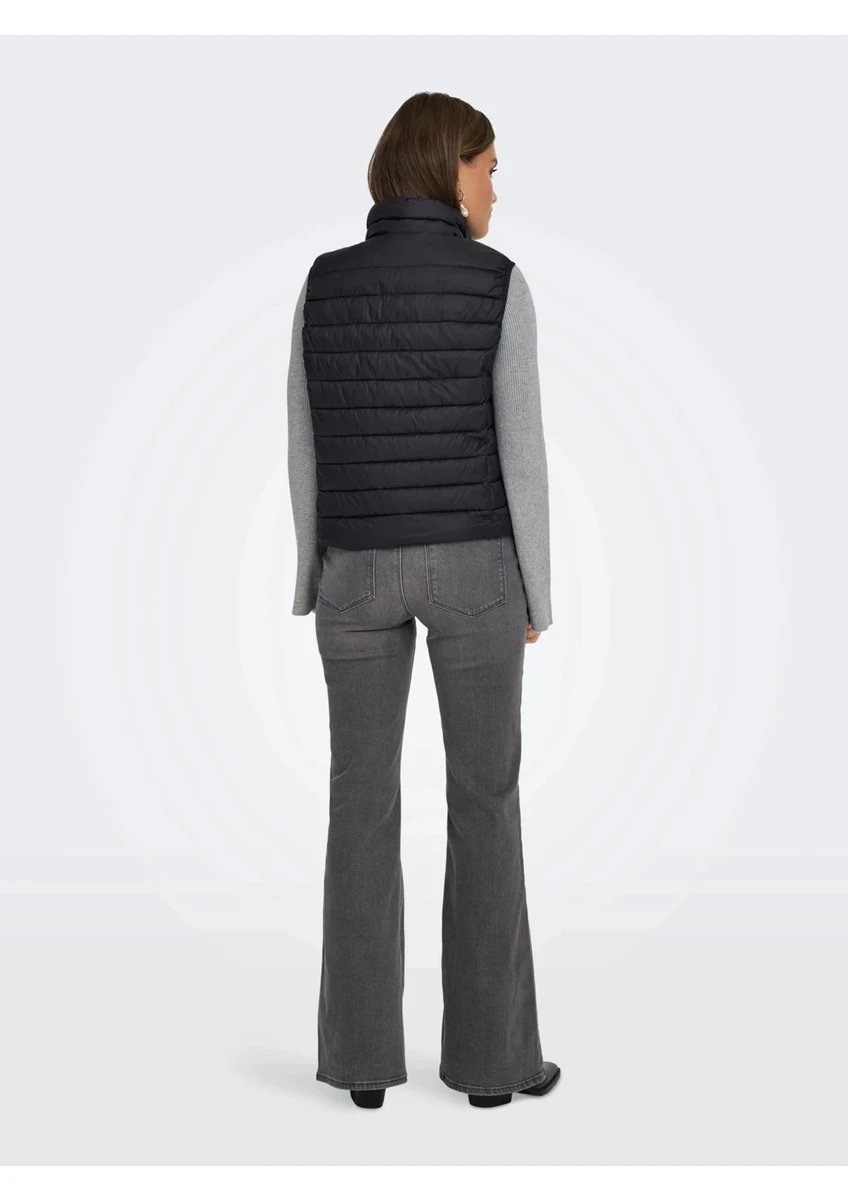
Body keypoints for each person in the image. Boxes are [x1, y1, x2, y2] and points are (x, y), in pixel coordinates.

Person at [286, 91, 560, 1109]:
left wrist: (310, 570)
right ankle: (493, 1066)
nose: (494, 188)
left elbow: (302, 438)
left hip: (354, 570)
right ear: (449, 169)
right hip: (475, 571)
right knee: (484, 803)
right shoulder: (498, 283)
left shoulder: (323, 282)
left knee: (358, 804)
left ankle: (360, 1063)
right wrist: (537, 589)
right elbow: (521, 449)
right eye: (487, 167)